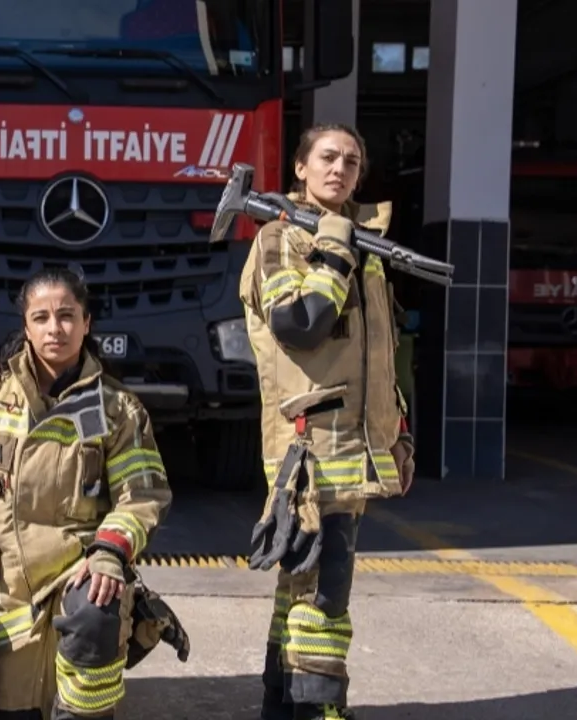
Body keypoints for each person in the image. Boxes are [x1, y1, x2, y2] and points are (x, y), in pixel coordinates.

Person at [0, 267, 180, 720]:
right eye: (41, 317)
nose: (54, 328)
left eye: (67, 316)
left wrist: (109, 553)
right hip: (5, 598)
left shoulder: (118, 410)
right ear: (26, 327)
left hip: (80, 578)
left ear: (86, 323)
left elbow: (141, 494)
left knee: (96, 611)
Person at [239, 123, 416, 720]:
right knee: (324, 587)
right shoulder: (280, 239)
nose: (340, 169)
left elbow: (382, 352)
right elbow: (299, 324)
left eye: (352, 161)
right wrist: (335, 251)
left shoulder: (366, 246)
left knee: (303, 582)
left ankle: (283, 705)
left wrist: (399, 432)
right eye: (328, 157)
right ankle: (318, 709)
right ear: (300, 167)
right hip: (309, 447)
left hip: (356, 445)